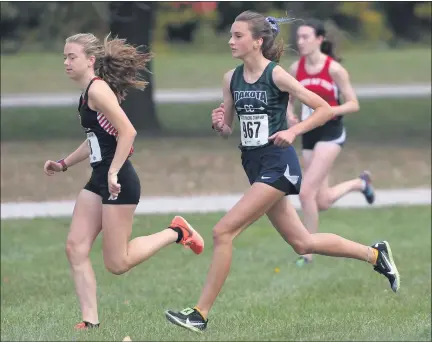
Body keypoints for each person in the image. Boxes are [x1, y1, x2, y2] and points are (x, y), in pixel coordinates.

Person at [164, 11, 400, 333]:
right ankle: (375, 255)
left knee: (223, 232)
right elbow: (228, 127)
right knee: (302, 243)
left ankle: (200, 314)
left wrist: (294, 131)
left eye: (238, 36)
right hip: (254, 164)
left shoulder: (277, 76)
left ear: (257, 41)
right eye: (231, 35)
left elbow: (325, 108)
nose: (230, 41)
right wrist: (219, 124)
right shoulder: (230, 78)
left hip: (279, 165)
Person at [43, 33, 204, 329]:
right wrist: (63, 164)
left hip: (120, 182)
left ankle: (177, 231)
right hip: (100, 180)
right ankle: (90, 321)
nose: (66, 62)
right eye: (64, 57)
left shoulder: (97, 90)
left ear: (90, 61)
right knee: (75, 247)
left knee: (117, 264)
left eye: (71, 57)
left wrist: (114, 172)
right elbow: (96, 140)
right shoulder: (87, 93)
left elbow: (128, 132)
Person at [287, 19, 375, 266]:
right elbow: (289, 99)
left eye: (306, 37)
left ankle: (307, 253)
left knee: (305, 193)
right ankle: (360, 183)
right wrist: (289, 114)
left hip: (331, 134)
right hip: (309, 133)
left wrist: (329, 111)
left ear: (319, 39)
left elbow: (353, 103)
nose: (301, 41)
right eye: (299, 37)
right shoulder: (296, 68)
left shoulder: (334, 69)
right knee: (321, 201)